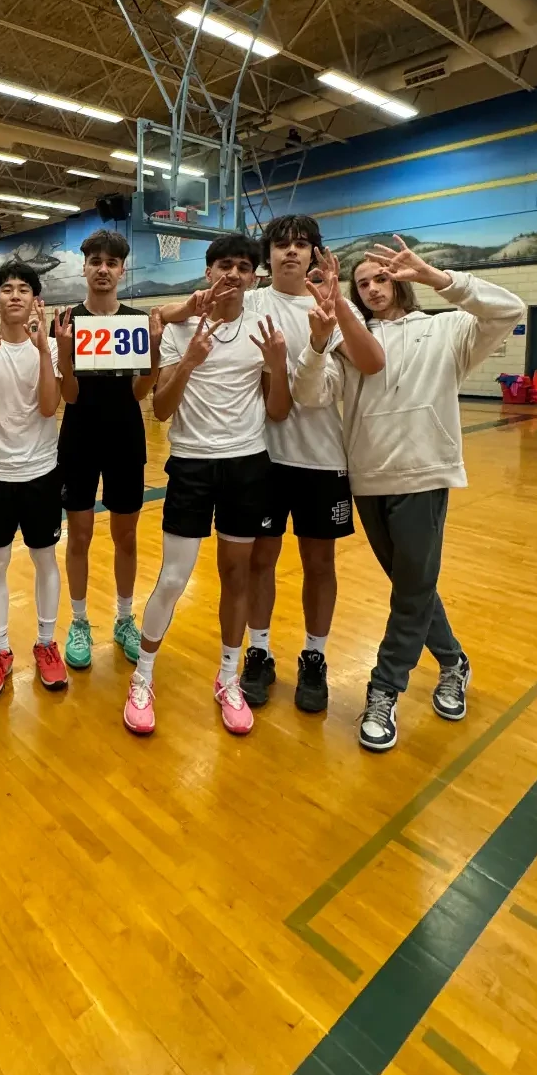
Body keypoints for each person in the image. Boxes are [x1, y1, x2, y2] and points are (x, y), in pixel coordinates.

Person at [292, 236, 525, 752]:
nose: (374, 289)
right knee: (414, 585)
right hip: (368, 479)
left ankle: (384, 687)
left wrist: (438, 278)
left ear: (400, 279)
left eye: (382, 278)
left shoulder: (446, 329)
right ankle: (452, 661)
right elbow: (310, 395)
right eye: (363, 283)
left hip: (423, 476)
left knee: (410, 589)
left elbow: (511, 308)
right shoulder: (350, 340)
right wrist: (316, 343)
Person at [161, 214, 385, 713]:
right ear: (266, 258)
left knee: (319, 564)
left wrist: (341, 307)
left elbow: (372, 363)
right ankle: (258, 653)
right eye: (281, 244)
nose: (290, 252)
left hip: (323, 457)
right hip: (261, 458)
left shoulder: (330, 305)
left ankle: (315, 656)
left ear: (315, 255)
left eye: (301, 245)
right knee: (259, 562)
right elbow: (167, 315)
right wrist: (181, 307)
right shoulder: (249, 298)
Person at [126, 233, 290, 738]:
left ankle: (228, 678)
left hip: (247, 465)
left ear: (254, 275)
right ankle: (143, 677)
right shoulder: (179, 330)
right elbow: (159, 409)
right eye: (224, 264)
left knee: (236, 576)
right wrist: (191, 360)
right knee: (174, 577)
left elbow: (278, 409)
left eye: (243, 266)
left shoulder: (263, 329)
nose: (234, 274)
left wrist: (280, 364)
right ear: (208, 271)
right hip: (192, 465)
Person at [51, 229, 162, 669]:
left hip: (125, 439)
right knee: (79, 536)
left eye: (111, 263)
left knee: (126, 536)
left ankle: (123, 617)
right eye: (95, 261)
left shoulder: (136, 321)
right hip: (79, 440)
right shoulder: (69, 323)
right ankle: (79, 622)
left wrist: (153, 354)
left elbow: (140, 393)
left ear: (121, 270)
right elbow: (71, 396)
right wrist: (64, 355)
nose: (102, 269)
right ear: (85, 267)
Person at [0, 260, 66, 698]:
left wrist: (44, 350)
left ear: (35, 300)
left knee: (45, 560)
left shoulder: (53, 349)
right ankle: (0, 651)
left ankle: (46, 644)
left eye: (24, 289)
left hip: (41, 472)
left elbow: (48, 408)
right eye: (7, 289)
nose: (16, 295)